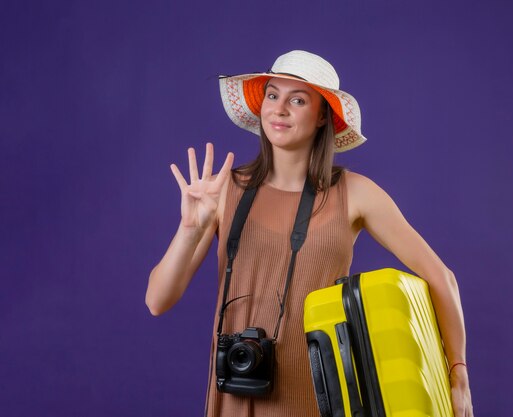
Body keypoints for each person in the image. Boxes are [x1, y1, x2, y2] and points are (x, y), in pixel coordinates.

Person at [145, 50, 473, 417]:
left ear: (322, 116)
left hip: (322, 398)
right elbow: (157, 300)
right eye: (272, 95)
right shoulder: (223, 190)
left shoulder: (356, 193)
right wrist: (191, 229)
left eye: (297, 100)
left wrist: (457, 373)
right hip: (237, 393)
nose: (279, 109)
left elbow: (442, 278)